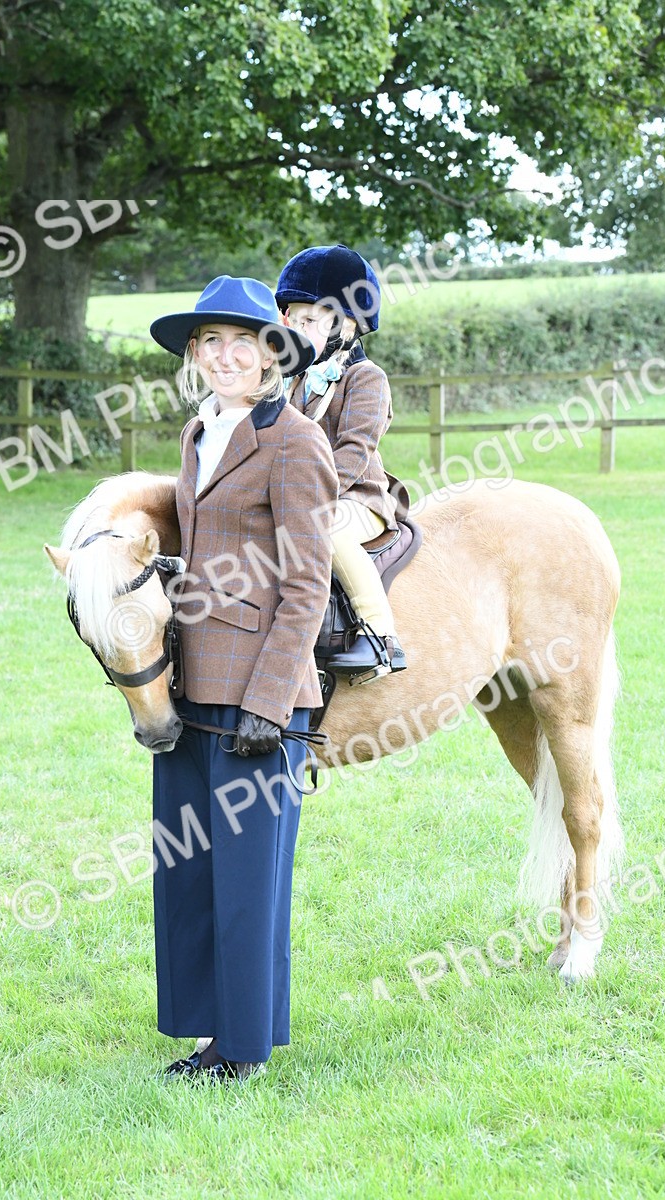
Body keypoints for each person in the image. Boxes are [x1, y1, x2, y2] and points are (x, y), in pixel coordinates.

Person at [148, 276, 338, 1083]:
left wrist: (271, 699)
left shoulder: (296, 441)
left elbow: (308, 583)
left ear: (271, 355)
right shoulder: (198, 432)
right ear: (195, 354)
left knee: (247, 880)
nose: (226, 356)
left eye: (244, 342)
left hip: (257, 698)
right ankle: (203, 1031)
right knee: (186, 872)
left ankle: (241, 1050)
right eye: (211, 342)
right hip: (187, 687)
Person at [276, 243, 408, 682]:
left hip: (357, 500)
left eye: (310, 321)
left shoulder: (367, 378)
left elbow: (355, 451)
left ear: (346, 324)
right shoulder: (293, 381)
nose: (299, 330)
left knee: (325, 526)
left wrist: (305, 495)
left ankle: (379, 635)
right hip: (301, 496)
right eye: (294, 320)